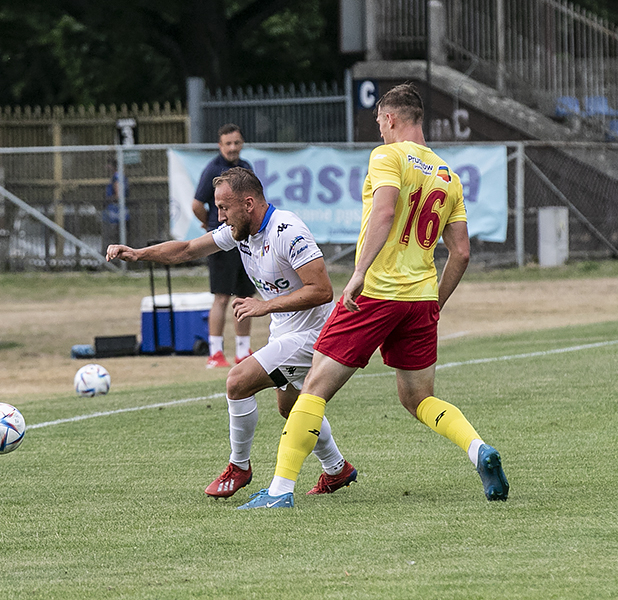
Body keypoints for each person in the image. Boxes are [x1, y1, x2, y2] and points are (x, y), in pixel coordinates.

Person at [237, 83, 509, 510]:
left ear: (391, 119)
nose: (379, 130)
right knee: (418, 398)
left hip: (378, 293)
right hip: (420, 299)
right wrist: (435, 302)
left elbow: (384, 211)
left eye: (379, 121)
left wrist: (359, 273)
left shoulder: (388, 156)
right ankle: (478, 450)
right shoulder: (448, 176)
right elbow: (461, 253)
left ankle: (279, 491)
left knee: (314, 388)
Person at [107, 167, 357, 498]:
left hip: (315, 334)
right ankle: (337, 469)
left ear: (248, 204)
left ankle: (239, 466)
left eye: (224, 208)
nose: (220, 216)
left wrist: (264, 306)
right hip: (285, 331)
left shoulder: (288, 231)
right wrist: (139, 254)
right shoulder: (240, 232)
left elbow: (323, 290)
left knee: (237, 382)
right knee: (291, 408)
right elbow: (187, 249)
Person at [192, 124, 255, 368]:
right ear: (220, 146)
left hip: (244, 239)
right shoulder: (213, 170)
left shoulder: (246, 167)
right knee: (221, 297)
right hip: (222, 241)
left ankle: (243, 351)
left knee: (244, 296)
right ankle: (215, 352)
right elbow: (197, 204)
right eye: (228, 143)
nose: (232, 148)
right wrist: (209, 224)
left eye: (236, 143)